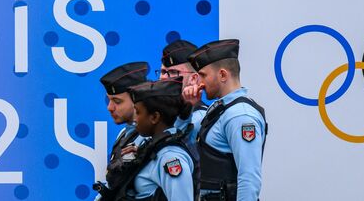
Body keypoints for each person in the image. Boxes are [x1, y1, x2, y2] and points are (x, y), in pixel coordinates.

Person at [185, 39, 268, 201]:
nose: (199, 83)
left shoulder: (240, 116)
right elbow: (186, 143)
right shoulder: (218, 108)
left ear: (222, 74)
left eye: (203, 75)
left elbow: (249, 178)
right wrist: (188, 108)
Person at [99, 77, 197, 201]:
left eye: (138, 112)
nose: (135, 119)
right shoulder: (149, 149)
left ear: (154, 117)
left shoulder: (170, 158)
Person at [94, 62, 151, 200]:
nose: (109, 107)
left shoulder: (153, 138)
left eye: (117, 101)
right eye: (109, 100)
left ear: (138, 100)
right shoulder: (124, 134)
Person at [158, 40, 208, 144]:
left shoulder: (200, 119)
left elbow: (172, 148)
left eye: (173, 72)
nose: (163, 77)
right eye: (163, 72)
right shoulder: (163, 115)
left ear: (193, 79)